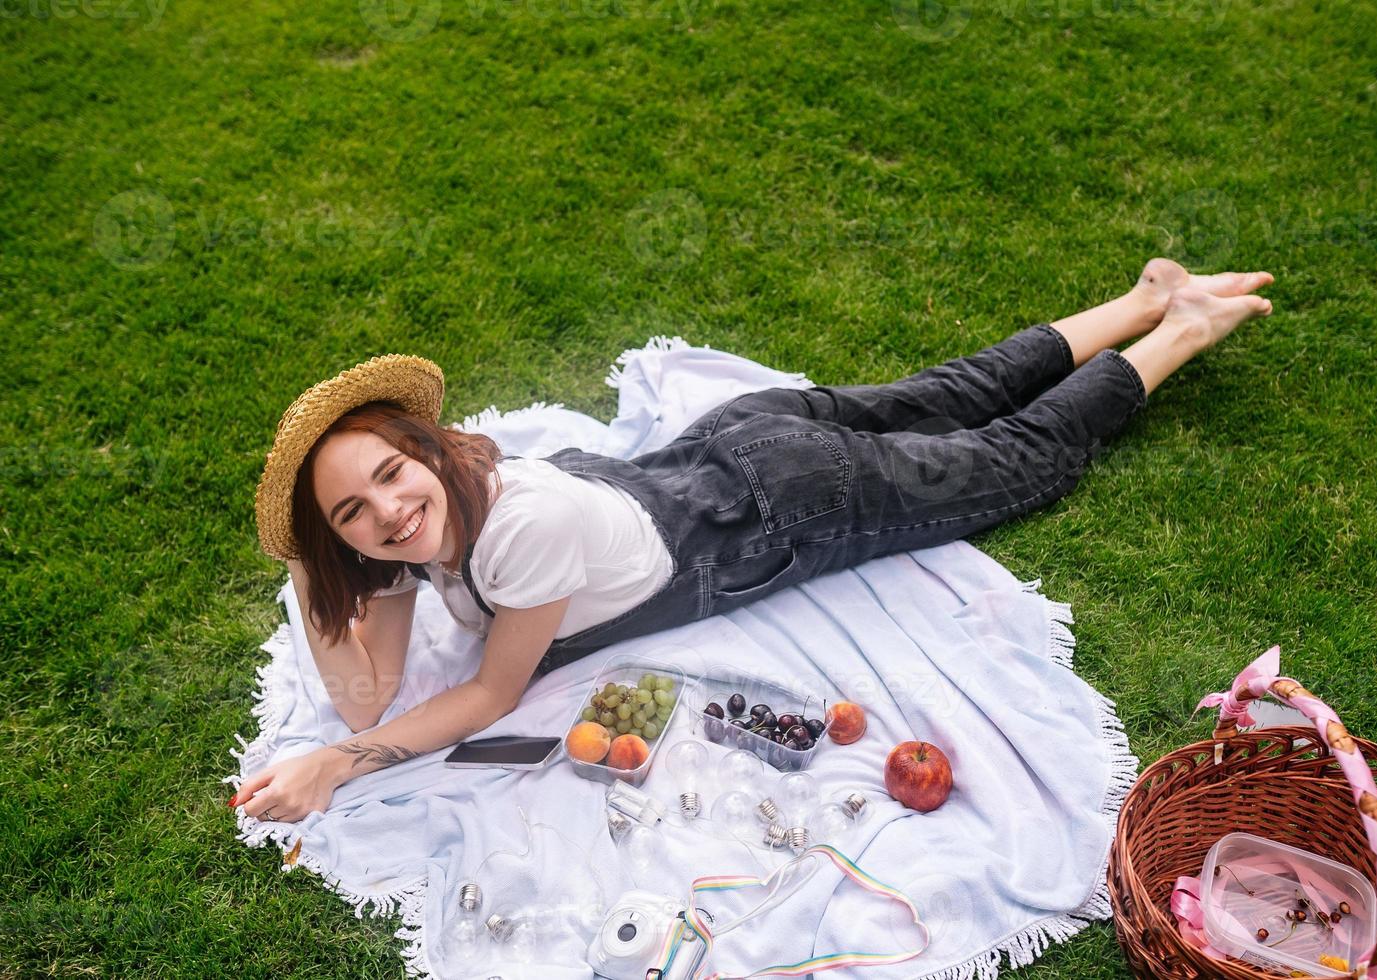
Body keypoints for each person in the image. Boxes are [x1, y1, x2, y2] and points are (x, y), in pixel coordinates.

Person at [231, 258, 1273, 824]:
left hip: (787, 503)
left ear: (419, 448)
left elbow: (489, 697)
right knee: (940, 394)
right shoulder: (431, 512)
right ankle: (1140, 294)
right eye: (351, 514)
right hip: (733, 435)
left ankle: (1181, 328)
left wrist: (336, 762)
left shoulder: (517, 531)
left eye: (388, 476)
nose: (388, 514)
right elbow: (368, 690)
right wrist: (312, 558)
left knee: (1013, 457)